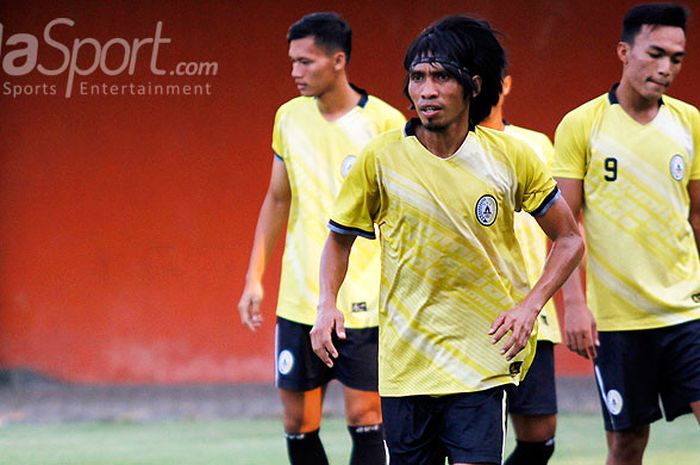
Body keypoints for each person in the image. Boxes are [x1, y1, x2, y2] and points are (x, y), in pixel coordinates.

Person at [311, 15, 584, 465]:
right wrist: (327, 304)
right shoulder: (381, 159)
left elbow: (570, 239)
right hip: (406, 367)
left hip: (481, 362)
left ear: (473, 86)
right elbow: (338, 239)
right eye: (417, 77)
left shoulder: (512, 157)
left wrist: (531, 305)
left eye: (441, 77)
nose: (426, 90)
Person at [237, 12, 405, 465]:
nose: (295, 72)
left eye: (305, 62)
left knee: (366, 413)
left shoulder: (386, 124)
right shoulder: (288, 118)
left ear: (338, 60)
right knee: (297, 423)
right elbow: (277, 200)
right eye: (291, 61)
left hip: (364, 302)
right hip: (299, 300)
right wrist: (254, 278)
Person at [553, 4, 700, 465]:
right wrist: (574, 305)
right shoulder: (582, 124)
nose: (666, 68)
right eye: (655, 53)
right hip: (618, 322)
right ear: (624, 51)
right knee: (627, 443)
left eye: (676, 58)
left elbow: (697, 218)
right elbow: (563, 227)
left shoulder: (690, 122)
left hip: (686, 312)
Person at [482, 75, 561, 465]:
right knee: (475, 442)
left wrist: (572, 304)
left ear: (507, 83)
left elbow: (567, 233)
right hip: (476, 319)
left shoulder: (536, 145)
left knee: (540, 438)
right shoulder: (446, 148)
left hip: (534, 314)